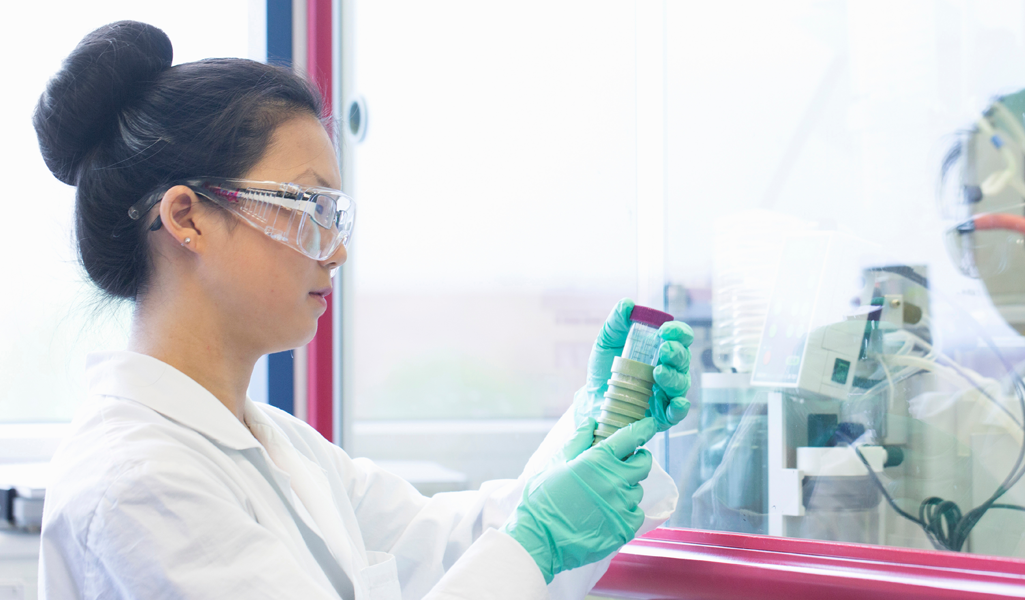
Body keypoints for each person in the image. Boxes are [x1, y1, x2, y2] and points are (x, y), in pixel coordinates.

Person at [34, 21, 694, 600]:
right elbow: (520, 547)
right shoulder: (136, 485)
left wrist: (600, 429)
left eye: (338, 216)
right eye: (310, 209)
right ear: (187, 218)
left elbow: (447, 549)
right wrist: (540, 537)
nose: (337, 251)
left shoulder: (282, 448)